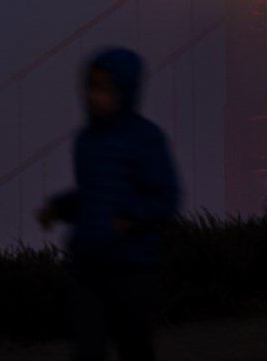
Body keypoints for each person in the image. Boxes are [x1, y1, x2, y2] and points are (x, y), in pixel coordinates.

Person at [36, 47, 180, 361]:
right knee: (87, 349)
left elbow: (166, 197)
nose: (94, 96)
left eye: (104, 88)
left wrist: (130, 220)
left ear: (125, 90)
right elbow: (91, 194)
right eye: (91, 87)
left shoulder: (146, 138)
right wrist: (57, 209)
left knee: (134, 346)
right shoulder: (86, 140)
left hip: (132, 264)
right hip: (88, 263)